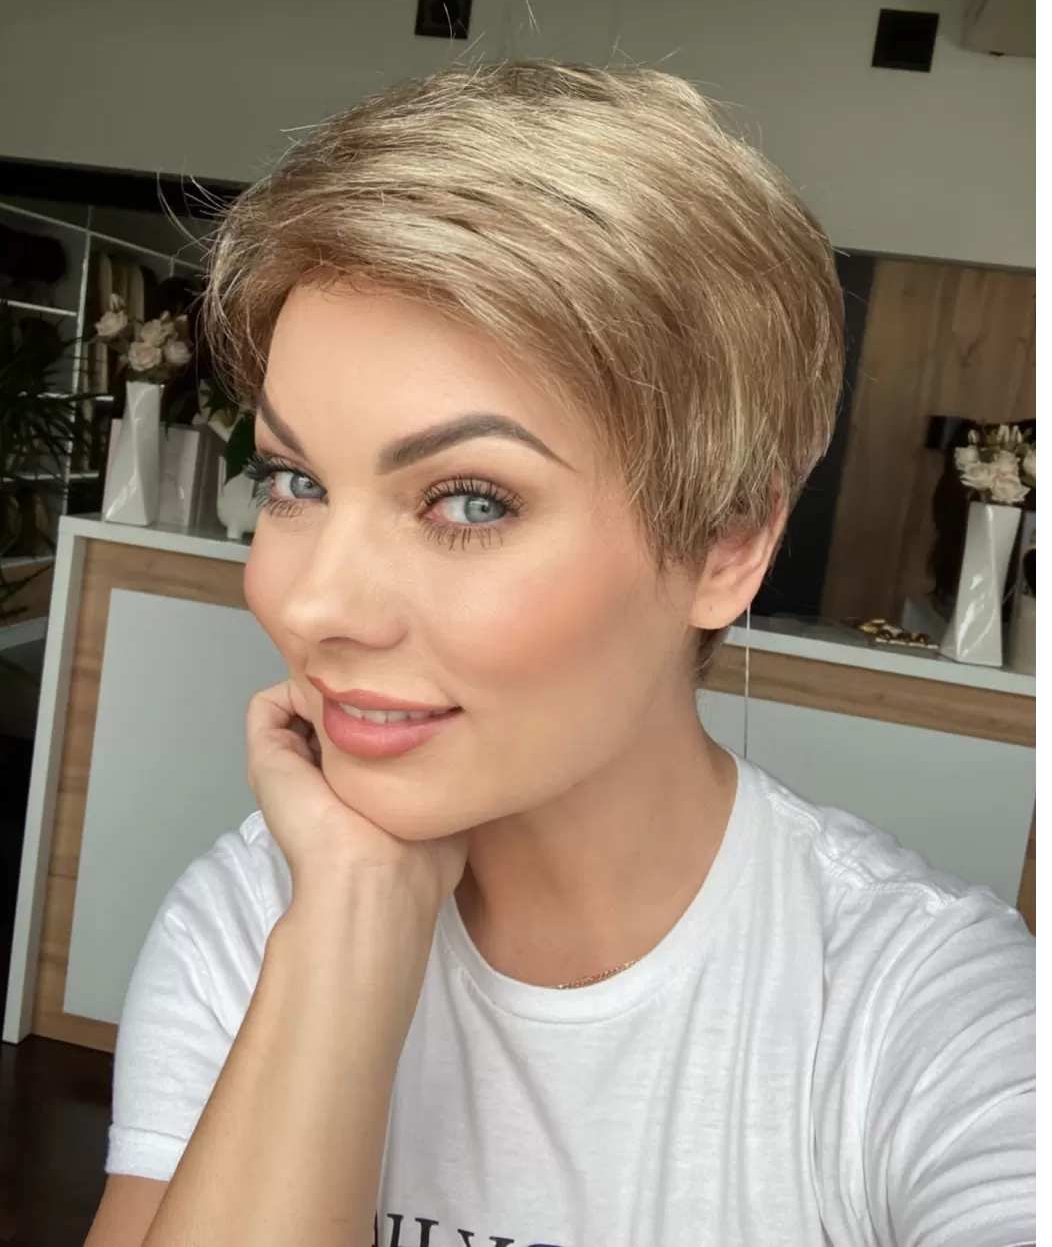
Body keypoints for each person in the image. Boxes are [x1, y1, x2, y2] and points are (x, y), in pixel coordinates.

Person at [85, 63, 1035, 1247]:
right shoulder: (253, 916)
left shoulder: (930, 1014)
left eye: (469, 501)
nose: (314, 602)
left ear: (726, 544)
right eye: (294, 483)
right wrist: (350, 929)